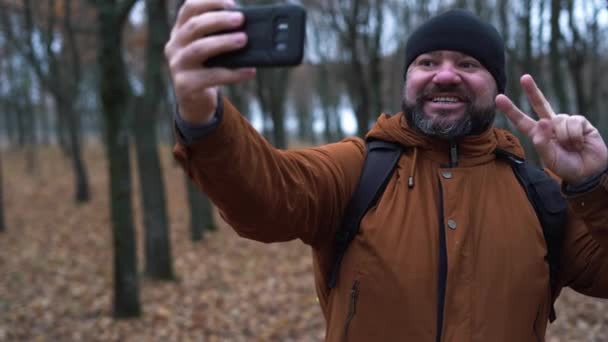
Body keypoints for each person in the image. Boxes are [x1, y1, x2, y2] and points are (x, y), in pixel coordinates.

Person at [165, 1, 608, 341]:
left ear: (497, 88)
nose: (445, 75)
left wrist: (593, 184)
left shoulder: (541, 194)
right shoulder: (360, 168)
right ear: (407, 81)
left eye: (469, 64)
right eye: (427, 62)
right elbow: (266, 199)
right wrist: (201, 112)